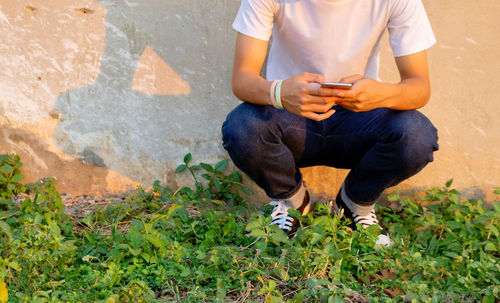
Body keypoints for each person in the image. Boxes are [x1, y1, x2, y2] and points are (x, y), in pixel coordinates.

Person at [221, 0, 439, 245]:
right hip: (289, 113)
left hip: (358, 117)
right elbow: (242, 79)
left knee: (417, 135)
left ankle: (355, 204)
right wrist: (280, 92)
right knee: (242, 127)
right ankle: (292, 202)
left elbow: (419, 87)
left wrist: (379, 94)